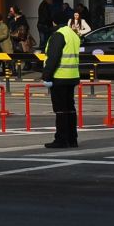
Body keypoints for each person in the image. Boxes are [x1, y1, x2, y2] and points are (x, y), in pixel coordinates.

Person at [41, 18, 82, 149]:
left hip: (60, 76)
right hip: (72, 76)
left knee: (60, 110)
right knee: (70, 109)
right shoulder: (73, 34)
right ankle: (72, 139)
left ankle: (61, 139)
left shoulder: (58, 35)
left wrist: (46, 75)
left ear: (54, 22)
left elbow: (53, 57)